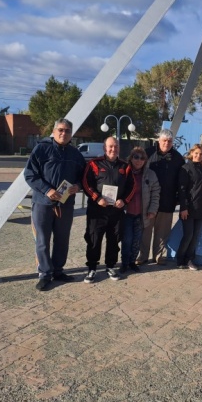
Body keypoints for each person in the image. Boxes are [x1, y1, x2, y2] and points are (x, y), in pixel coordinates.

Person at [24, 118, 86, 291]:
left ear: (71, 134)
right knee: (43, 240)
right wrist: (46, 190)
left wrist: (78, 186)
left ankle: (58, 271)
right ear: (54, 130)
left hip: (65, 204)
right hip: (43, 203)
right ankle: (44, 274)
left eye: (67, 131)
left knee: (62, 239)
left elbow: (84, 177)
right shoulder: (41, 149)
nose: (63, 133)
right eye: (60, 129)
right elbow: (30, 174)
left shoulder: (76, 154)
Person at [81, 137, 134, 283]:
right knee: (94, 239)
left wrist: (124, 201)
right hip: (97, 211)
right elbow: (86, 183)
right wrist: (97, 198)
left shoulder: (125, 166)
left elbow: (132, 186)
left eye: (116, 147)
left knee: (114, 239)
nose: (113, 149)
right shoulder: (93, 164)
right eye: (110, 147)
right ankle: (92, 268)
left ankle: (110, 266)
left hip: (116, 212)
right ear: (104, 148)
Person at [137, 129, 185, 265]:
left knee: (162, 231)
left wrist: (178, 199)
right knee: (145, 230)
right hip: (147, 200)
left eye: (169, 141)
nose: (167, 143)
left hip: (167, 200)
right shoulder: (147, 153)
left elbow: (181, 180)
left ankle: (158, 255)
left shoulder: (177, 157)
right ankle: (142, 256)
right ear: (159, 140)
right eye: (164, 140)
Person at [120, 147, 160, 274]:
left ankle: (132, 262)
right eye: (136, 157)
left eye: (142, 158)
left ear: (145, 160)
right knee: (127, 240)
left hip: (141, 214)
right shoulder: (123, 172)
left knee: (137, 240)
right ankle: (124, 262)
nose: (139, 160)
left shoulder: (150, 174)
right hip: (127, 214)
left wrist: (152, 209)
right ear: (131, 158)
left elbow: (155, 193)